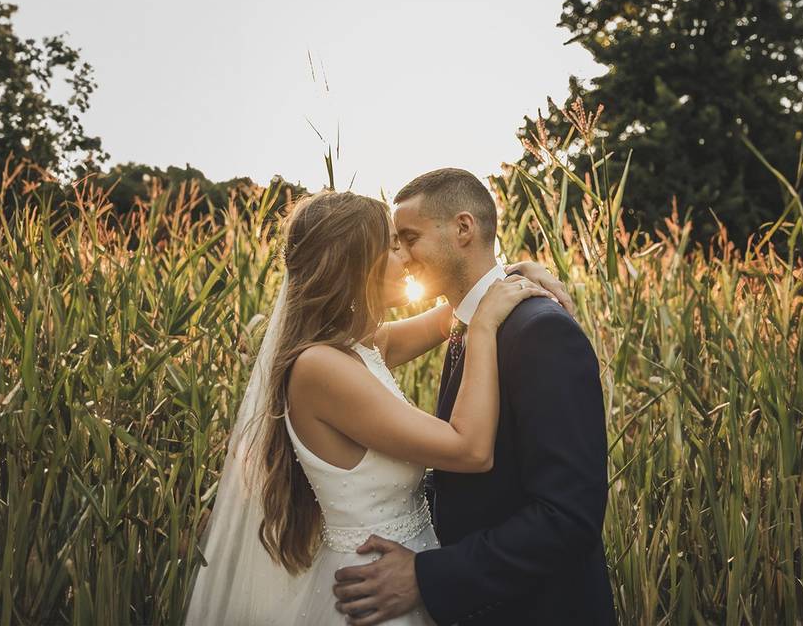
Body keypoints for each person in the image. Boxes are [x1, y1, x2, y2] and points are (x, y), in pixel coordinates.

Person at [183, 188, 570, 625]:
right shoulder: (320, 369)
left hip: (401, 573)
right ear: (353, 262)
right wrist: (482, 330)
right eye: (391, 245)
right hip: (375, 593)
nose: (406, 256)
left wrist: (516, 271)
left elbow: (453, 312)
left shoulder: (358, 347)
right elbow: (470, 450)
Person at [332, 168, 616, 625]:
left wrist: (427, 576)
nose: (400, 256)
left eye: (409, 237)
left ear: (463, 228)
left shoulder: (540, 331)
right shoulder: (472, 323)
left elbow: (568, 517)